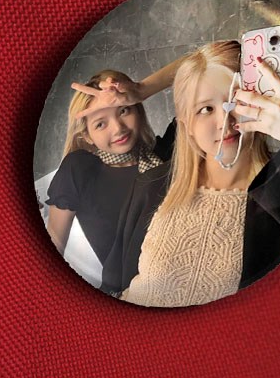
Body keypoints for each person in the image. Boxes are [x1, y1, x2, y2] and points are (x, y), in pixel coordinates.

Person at [121, 40, 280, 308]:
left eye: (236, 100)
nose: (225, 121)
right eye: (206, 109)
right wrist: (143, 89)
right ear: (186, 125)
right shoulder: (151, 184)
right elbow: (117, 283)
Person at [44, 58, 182, 283]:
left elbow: (217, 61)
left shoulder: (167, 152)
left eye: (124, 110)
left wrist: (142, 90)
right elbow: (52, 250)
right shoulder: (80, 169)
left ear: (137, 108)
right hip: (125, 295)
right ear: (87, 135)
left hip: (188, 285)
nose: (118, 128)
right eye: (101, 123)